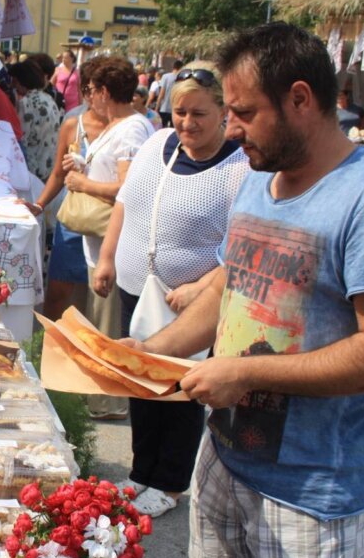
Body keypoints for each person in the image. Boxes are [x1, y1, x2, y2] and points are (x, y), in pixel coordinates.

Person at [126, 23, 364, 558]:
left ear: (300, 99)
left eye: (243, 113)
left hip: (315, 492)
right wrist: (143, 354)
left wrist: (245, 372)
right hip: (229, 456)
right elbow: (227, 288)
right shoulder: (259, 178)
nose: (230, 129)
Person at [93, 61, 249, 517]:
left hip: (187, 304)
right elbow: (125, 203)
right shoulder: (157, 144)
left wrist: (201, 287)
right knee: (139, 381)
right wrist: (106, 258)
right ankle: (142, 471)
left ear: (222, 112)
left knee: (180, 389)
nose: (186, 123)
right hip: (134, 288)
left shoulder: (239, 168)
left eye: (199, 113)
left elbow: (239, 246)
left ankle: (172, 481)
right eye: (179, 111)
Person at [63, 56, 155, 419]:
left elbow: (129, 188)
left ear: (103, 91)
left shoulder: (131, 129)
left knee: (109, 323)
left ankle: (109, 400)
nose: (88, 97)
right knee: (103, 319)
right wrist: (85, 167)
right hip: (103, 243)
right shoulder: (123, 125)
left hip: (113, 246)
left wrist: (85, 183)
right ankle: (103, 396)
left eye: (91, 90)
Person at [23, 58, 104, 321]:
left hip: (109, 222)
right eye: (91, 89)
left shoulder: (130, 126)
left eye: (103, 89)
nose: (97, 96)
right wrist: (39, 204)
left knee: (99, 296)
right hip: (74, 218)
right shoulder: (73, 122)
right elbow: (58, 173)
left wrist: (86, 184)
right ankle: (48, 346)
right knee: (58, 289)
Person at [9, 60, 63, 182]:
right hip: (49, 163)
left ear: (21, 81)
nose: (13, 86)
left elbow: (22, 137)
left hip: (34, 166)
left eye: (15, 82)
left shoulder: (26, 102)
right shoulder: (48, 98)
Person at [154, 59, 183, 128]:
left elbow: (161, 93)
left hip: (164, 108)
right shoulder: (182, 78)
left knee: (161, 128)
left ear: (173, 67)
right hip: (176, 108)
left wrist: (156, 107)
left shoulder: (166, 76)